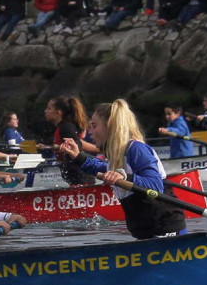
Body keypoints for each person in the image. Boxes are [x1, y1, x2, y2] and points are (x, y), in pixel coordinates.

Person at [59, 100, 186, 240]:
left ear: (111, 127)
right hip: (145, 231)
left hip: (164, 228)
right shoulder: (117, 154)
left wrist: (124, 177)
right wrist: (78, 157)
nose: (90, 132)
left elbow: (155, 185)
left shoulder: (136, 149)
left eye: (94, 126)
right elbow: (103, 168)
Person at [44, 96, 100, 186]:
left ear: (58, 113)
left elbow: (77, 144)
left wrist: (69, 146)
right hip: (77, 176)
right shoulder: (63, 127)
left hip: (81, 177)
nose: (45, 111)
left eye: (49, 108)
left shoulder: (65, 127)